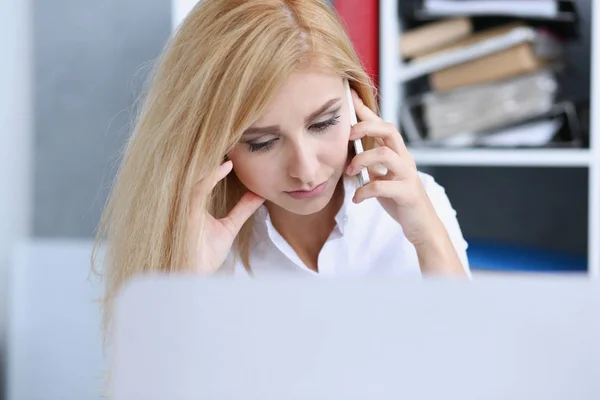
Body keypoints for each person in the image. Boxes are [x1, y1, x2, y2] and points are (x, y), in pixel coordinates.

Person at [92, 0, 471, 332]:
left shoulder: (417, 206)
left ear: (355, 98)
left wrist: (428, 237)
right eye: (262, 143)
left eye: (323, 123)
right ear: (211, 144)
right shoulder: (199, 246)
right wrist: (182, 286)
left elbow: (472, 368)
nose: (305, 170)